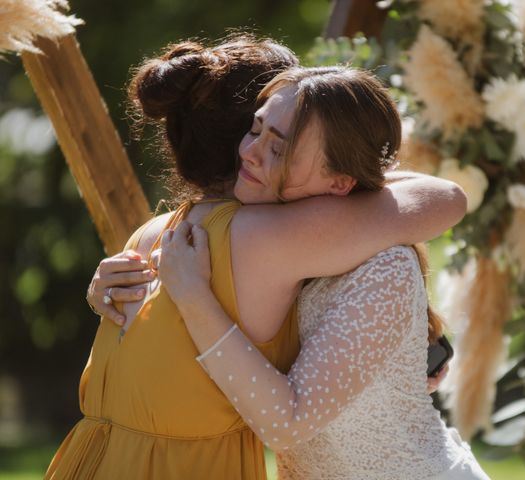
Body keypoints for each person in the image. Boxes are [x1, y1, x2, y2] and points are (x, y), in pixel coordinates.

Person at [69, 41, 469, 480]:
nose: (252, 152)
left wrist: (191, 297)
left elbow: (447, 199)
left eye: (281, 146)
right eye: (257, 129)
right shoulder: (279, 235)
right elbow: (441, 197)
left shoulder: (175, 231)